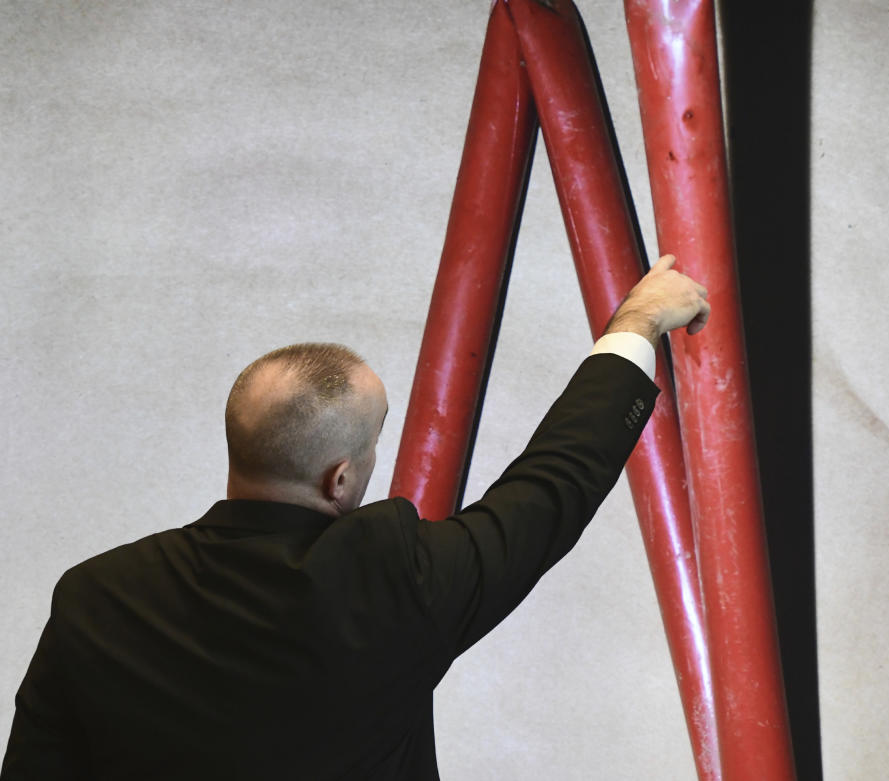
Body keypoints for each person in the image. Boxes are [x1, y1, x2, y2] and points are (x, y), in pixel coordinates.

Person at [1, 254, 709, 780]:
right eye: (376, 439)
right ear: (341, 477)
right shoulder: (391, 577)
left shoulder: (94, 594)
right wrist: (638, 321)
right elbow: (552, 487)